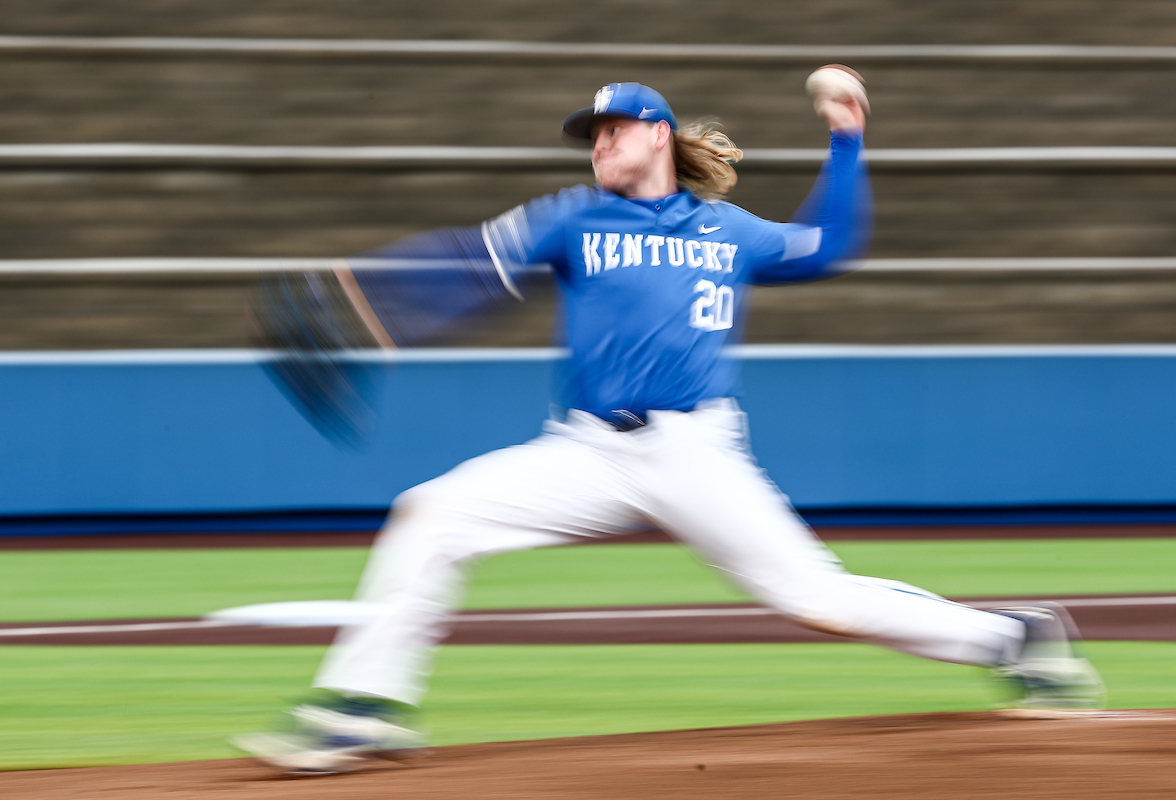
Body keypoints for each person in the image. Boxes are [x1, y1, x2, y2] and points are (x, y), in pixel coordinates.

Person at [236, 74, 1104, 776]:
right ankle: (363, 710)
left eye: (615, 127)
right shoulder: (572, 216)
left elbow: (828, 244)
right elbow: (464, 263)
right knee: (430, 513)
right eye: (594, 133)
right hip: (584, 451)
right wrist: (359, 290)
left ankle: (1015, 637)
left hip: (696, 452)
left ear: (659, 136)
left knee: (816, 598)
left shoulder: (726, 229)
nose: (601, 141)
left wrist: (846, 140)